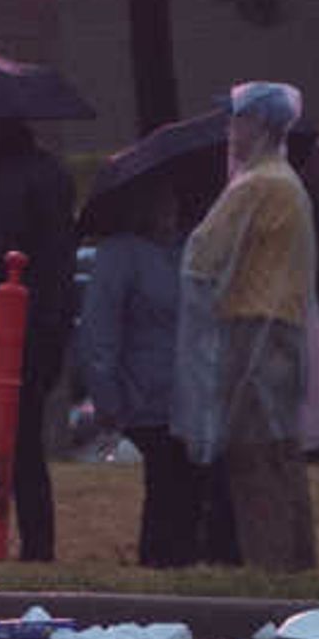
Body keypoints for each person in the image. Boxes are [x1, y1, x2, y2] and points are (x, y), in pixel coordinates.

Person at [178, 80, 319, 573]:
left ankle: (271, 565)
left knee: (255, 457)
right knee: (281, 455)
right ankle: (296, 562)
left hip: (253, 331)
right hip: (282, 328)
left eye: (236, 119)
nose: (230, 130)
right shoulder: (287, 182)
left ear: (258, 124)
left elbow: (202, 258)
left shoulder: (257, 185)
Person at [0, 115, 79, 560]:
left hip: (12, 322)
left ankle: (29, 544)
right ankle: (36, 541)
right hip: (50, 318)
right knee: (26, 438)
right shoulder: (52, 172)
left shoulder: (2, 179)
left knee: (16, 441)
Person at [75, 181, 202, 567]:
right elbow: (100, 331)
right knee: (165, 485)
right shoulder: (120, 255)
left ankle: (185, 559)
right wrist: (108, 399)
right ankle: (161, 562)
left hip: (190, 393)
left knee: (191, 489)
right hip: (145, 395)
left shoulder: (190, 250)